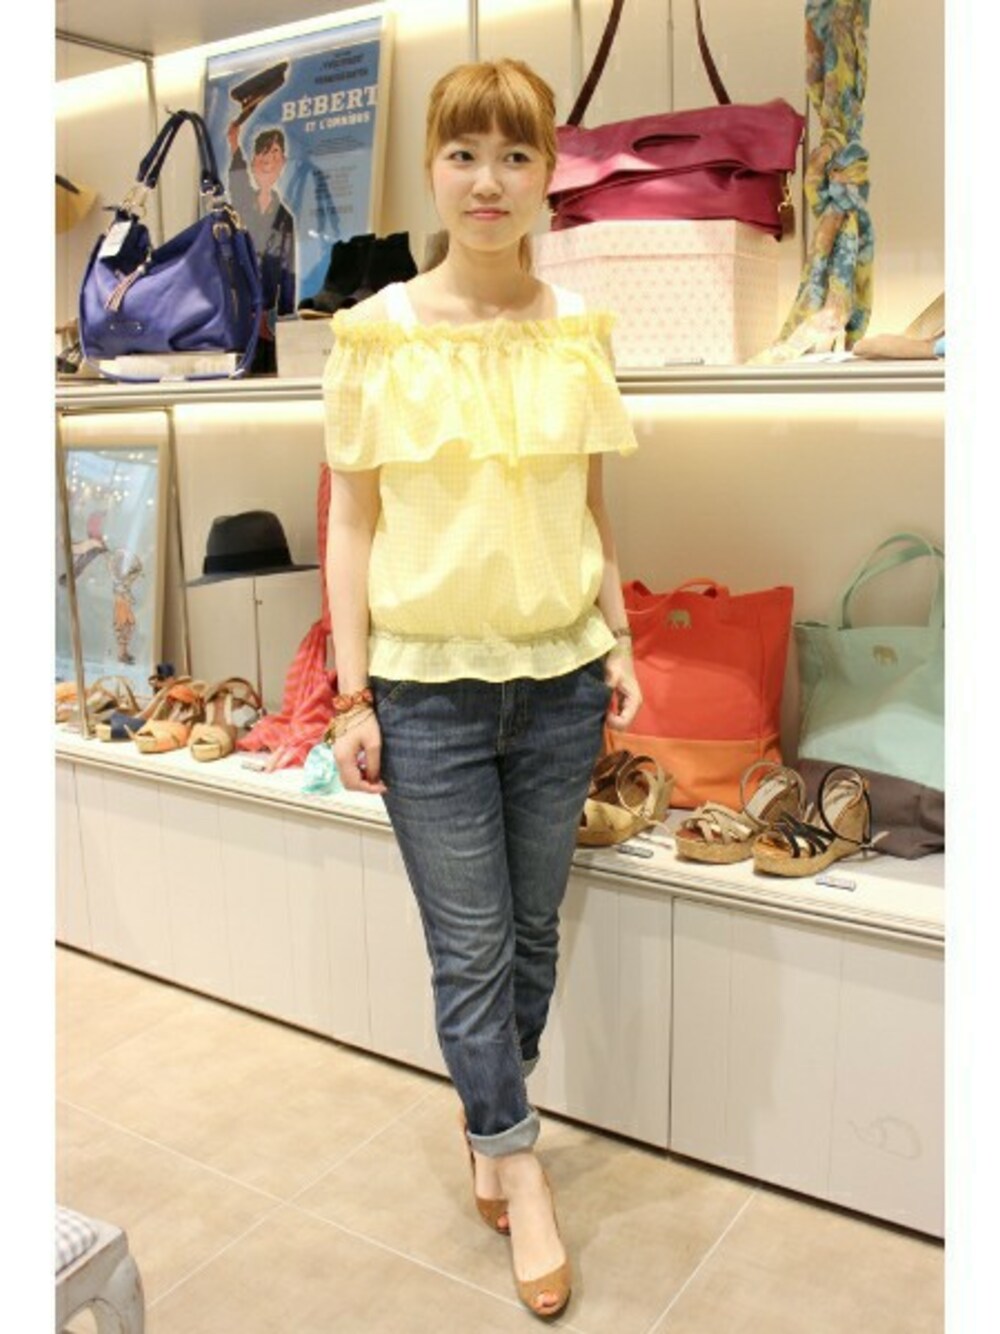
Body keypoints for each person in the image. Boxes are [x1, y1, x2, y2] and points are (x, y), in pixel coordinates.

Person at [322, 58, 641, 1320]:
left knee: (531, 937)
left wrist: (619, 639)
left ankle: (488, 1124)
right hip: (427, 694)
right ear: (431, 169)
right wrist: (352, 696)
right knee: (469, 947)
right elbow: (351, 522)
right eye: (464, 153)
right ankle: (520, 1158)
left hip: (558, 680)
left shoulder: (575, 329)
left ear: (549, 170)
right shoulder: (377, 332)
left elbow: (592, 504)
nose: (488, 181)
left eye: (515, 154)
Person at [226, 122, 297, 373]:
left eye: (275, 153)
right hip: (235, 317)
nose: (268, 161)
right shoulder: (243, 204)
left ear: (283, 162)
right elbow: (237, 181)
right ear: (254, 161)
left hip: (265, 325)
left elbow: (288, 277)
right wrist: (234, 145)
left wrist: (285, 328)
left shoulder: (285, 219)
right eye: (263, 153)